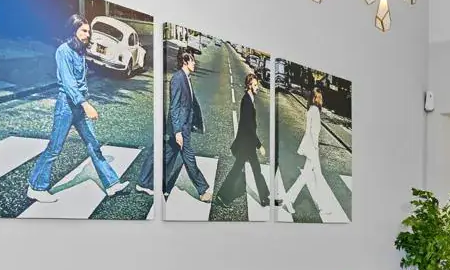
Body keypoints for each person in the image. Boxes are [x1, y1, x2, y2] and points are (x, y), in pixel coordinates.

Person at [27, 14, 128, 203]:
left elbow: (81, 82)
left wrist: (84, 101)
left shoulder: (80, 51)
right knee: (55, 148)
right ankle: (36, 187)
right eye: (84, 30)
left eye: (89, 31)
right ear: (73, 30)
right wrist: (85, 104)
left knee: (93, 145)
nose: (87, 34)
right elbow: (69, 83)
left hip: (79, 105)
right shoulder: (63, 51)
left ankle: (112, 184)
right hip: (67, 105)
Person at [138, 50, 210, 201]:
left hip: (184, 125)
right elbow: (174, 107)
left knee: (166, 155)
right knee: (189, 158)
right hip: (180, 127)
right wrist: (177, 131)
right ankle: (202, 190)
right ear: (185, 61)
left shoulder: (186, 77)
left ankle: (145, 182)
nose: (194, 63)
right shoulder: (177, 79)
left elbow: (189, 103)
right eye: (192, 60)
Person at [217, 72, 270, 207]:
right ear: (249, 86)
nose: (257, 87)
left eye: (257, 85)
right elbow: (248, 127)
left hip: (248, 143)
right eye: (255, 85)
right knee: (237, 170)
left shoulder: (249, 99)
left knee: (256, 169)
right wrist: (259, 145)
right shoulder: (246, 101)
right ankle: (222, 196)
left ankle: (265, 197)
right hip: (245, 144)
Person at [282, 87, 327, 215]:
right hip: (313, 148)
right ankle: (289, 200)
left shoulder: (310, 110)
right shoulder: (315, 111)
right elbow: (313, 132)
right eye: (320, 98)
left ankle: (321, 205)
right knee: (308, 176)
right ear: (315, 98)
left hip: (310, 146)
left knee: (315, 175)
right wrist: (316, 148)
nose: (321, 100)